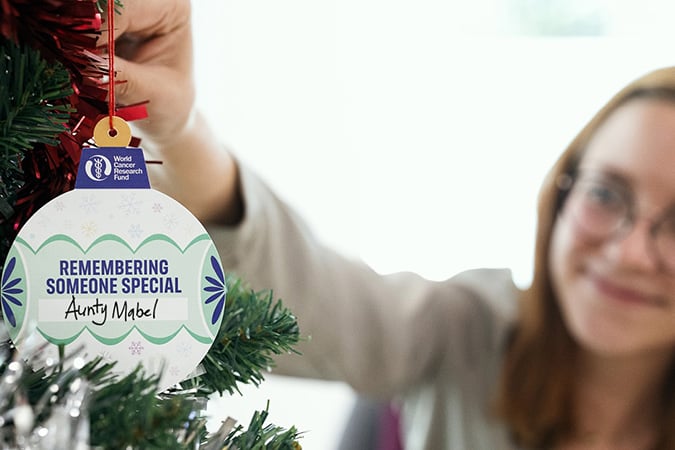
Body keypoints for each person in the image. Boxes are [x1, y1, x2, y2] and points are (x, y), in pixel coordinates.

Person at [107, 1, 675, 448]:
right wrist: (177, 131)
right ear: (561, 195)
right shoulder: (466, 333)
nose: (629, 253)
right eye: (606, 193)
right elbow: (310, 298)